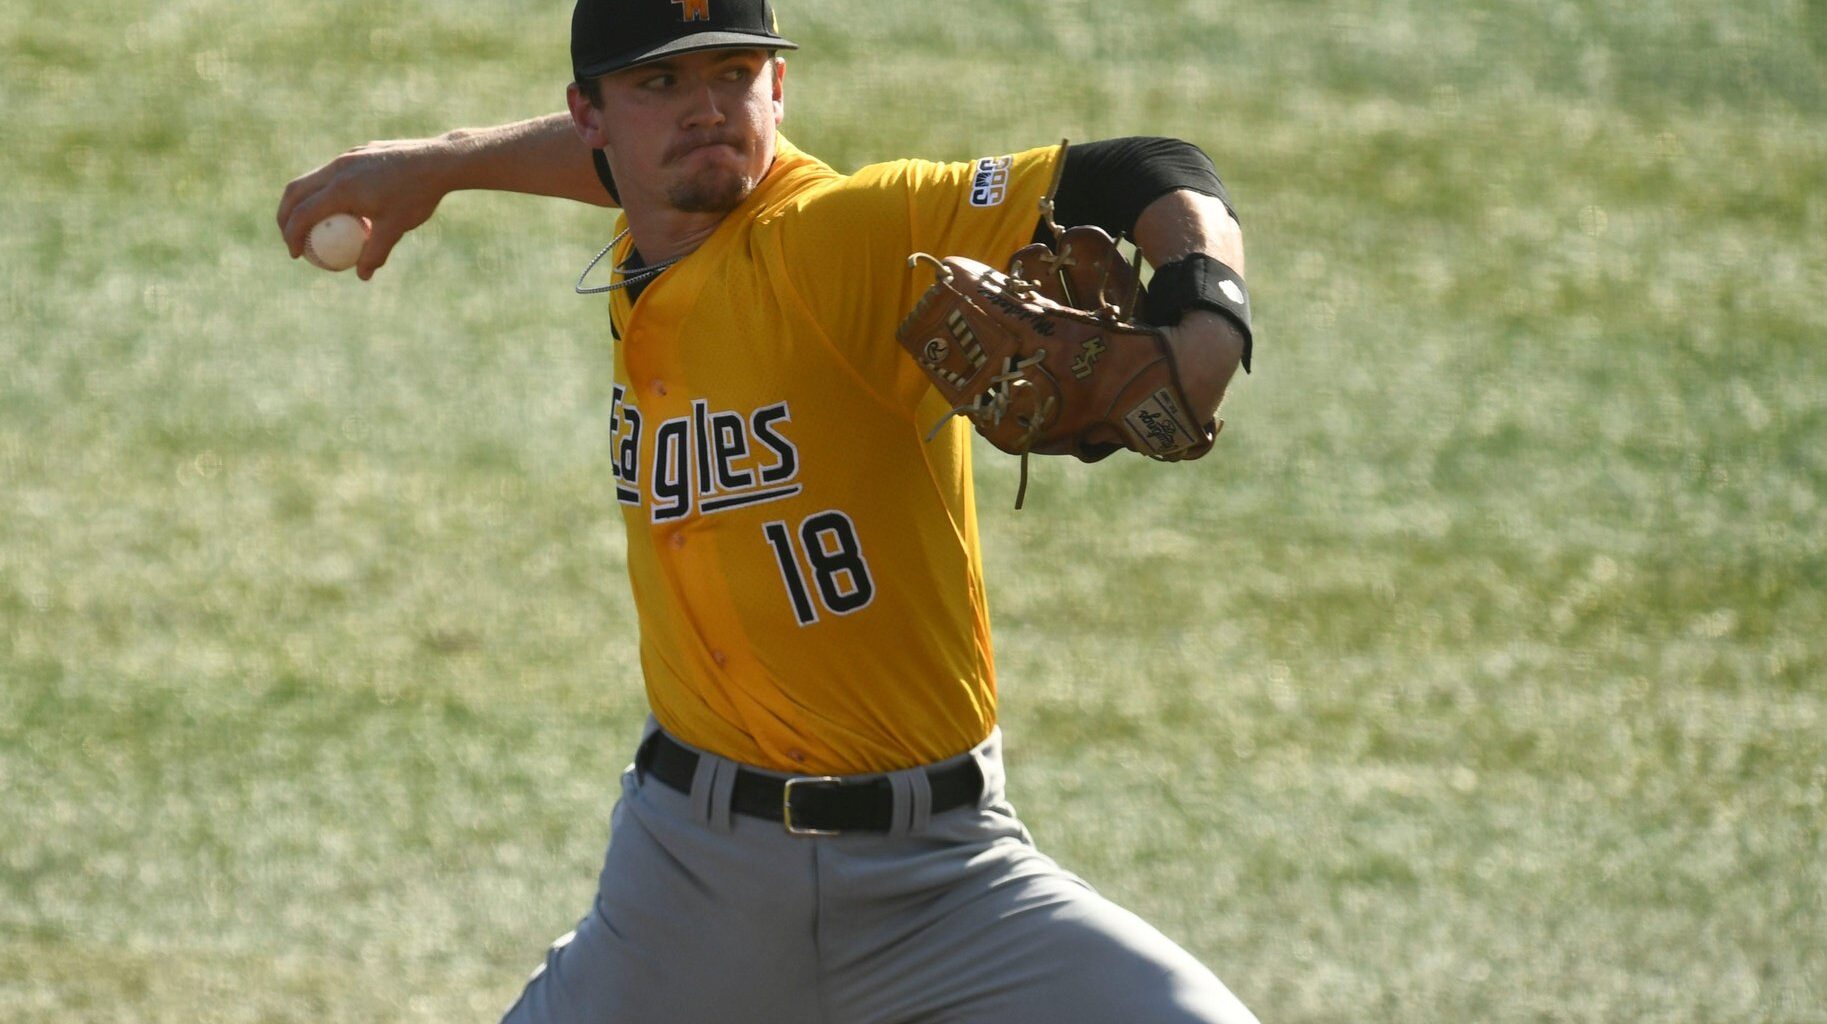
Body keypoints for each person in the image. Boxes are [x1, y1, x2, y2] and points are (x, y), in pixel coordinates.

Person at [277, 1, 1256, 1021]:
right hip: (688, 883)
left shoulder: (843, 239)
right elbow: (621, 171)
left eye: (734, 73)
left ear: (777, 91)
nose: (706, 109)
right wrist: (441, 162)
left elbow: (1148, 166)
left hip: (945, 885)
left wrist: (1208, 308)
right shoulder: (656, 223)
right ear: (592, 114)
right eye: (662, 82)